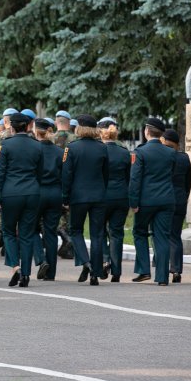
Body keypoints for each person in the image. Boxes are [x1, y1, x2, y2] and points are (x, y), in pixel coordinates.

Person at [0, 113, 43, 287]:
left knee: (8, 232)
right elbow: (40, 172)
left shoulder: (5, 145)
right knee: (27, 234)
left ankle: (16, 267)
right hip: (32, 192)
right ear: (27, 126)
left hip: (10, 193)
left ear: (12, 127)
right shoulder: (37, 146)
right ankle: (27, 274)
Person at [61, 114, 109, 286]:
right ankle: (95, 273)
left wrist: (65, 197)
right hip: (99, 196)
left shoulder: (72, 148)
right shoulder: (102, 148)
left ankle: (86, 262)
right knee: (97, 234)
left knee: (76, 231)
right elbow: (106, 174)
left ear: (79, 128)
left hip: (78, 196)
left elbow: (66, 175)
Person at [130, 118, 176, 285]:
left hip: (145, 202)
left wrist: (133, 203)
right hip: (166, 200)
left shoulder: (140, 152)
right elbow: (172, 175)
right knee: (162, 237)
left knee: (139, 232)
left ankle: (144, 270)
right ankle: (162, 277)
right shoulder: (171, 153)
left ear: (147, 132)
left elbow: (135, 180)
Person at [97, 117, 130, 282]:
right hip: (121, 197)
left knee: (100, 230)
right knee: (116, 233)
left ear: (100, 133)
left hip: (102, 197)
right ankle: (116, 271)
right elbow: (128, 177)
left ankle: (105, 260)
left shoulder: (98, 151)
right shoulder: (124, 152)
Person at [31, 118, 63, 282]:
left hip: (37, 193)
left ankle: (41, 259)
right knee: (51, 232)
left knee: (31, 228)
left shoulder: (34, 149)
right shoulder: (59, 151)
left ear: (36, 132)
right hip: (56, 194)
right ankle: (51, 274)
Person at [161, 129, 191, 283]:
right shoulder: (184, 158)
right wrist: (184, 197)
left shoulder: (163, 157)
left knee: (162, 235)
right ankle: (177, 269)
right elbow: (189, 181)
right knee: (175, 236)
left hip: (164, 199)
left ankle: (163, 267)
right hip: (179, 199)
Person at [54, 110, 75, 259]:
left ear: (56, 122)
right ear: (69, 122)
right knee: (69, 217)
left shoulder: (50, 138)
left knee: (51, 216)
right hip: (72, 183)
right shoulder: (75, 139)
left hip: (53, 183)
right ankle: (69, 244)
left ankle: (64, 238)